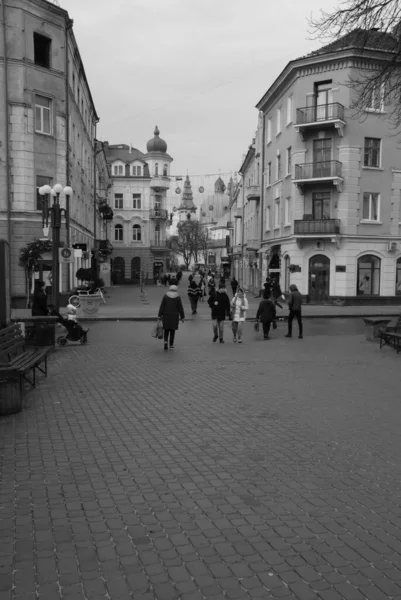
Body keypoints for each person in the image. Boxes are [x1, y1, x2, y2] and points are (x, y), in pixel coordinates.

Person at [158, 284, 185, 350]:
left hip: (166, 315)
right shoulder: (177, 297)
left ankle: (165, 342)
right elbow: (180, 307)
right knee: (172, 330)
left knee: (166, 330)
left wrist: (159, 315)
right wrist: (182, 317)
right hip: (174, 316)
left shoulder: (165, 296)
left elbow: (162, 306)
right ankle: (171, 344)